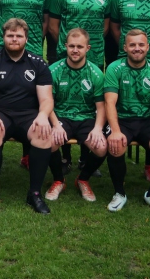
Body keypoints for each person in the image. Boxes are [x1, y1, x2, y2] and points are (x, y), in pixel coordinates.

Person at [0, 18, 54, 214]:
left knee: (43, 134)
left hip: (29, 115)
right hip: (0, 113)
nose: (14, 39)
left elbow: (46, 99)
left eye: (19, 36)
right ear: (3, 38)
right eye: (10, 35)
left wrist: (43, 116)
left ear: (26, 39)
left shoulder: (38, 63)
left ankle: (34, 193)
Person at [0, 0, 52, 170]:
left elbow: (46, 20)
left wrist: (33, 40)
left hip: (32, 49)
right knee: (0, 95)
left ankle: (29, 152)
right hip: (2, 48)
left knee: (31, 99)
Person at [103, 29, 150, 213]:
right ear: (125, 47)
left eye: (141, 44)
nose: (137, 48)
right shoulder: (114, 68)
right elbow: (109, 103)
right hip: (122, 120)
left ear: (147, 47)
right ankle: (119, 193)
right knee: (116, 144)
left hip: (147, 121)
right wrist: (115, 131)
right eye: (132, 45)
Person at [44, 29, 107, 203]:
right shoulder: (53, 70)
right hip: (61, 117)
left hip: (86, 118)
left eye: (80, 46)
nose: (75, 50)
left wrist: (98, 129)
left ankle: (83, 179)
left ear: (88, 48)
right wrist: (55, 125)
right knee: (48, 143)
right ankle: (59, 180)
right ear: (65, 46)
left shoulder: (96, 73)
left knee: (102, 147)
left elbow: (101, 106)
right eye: (71, 46)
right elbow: (47, 102)